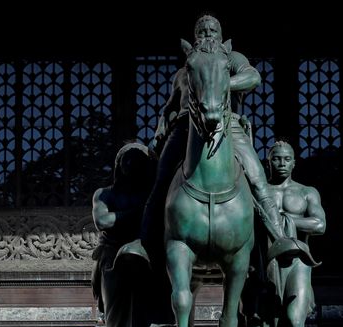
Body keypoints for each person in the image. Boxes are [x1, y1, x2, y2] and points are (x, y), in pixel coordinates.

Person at [121, 14, 285, 262]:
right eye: (202, 30)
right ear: (194, 37)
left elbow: (253, 77)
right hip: (184, 128)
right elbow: (169, 107)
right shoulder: (183, 72)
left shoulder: (231, 59)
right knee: (160, 183)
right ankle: (144, 244)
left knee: (258, 179)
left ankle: (279, 239)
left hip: (227, 125)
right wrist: (159, 132)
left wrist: (218, 83)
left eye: (212, 30)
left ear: (221, 36)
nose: (207, 34)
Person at [246, 141, 326, 327]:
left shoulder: (306, 192)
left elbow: (320, 224)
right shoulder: (259, 192)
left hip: (298, 262)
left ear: (294, 163)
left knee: (294, 322)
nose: (281, 163)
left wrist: (287, 221)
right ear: (268, 163)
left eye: (286, 159)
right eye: (276, 159)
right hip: (266, 267)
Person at [91, 143, 169, 327]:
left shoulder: (153, 195)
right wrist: (138, 213)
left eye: (139, 161)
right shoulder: (104, 194)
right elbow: (103, 220)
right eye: (128, 160)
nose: (132, 165)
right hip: (114, 267)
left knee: (149, 324)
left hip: (146, 262)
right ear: (119, 165)